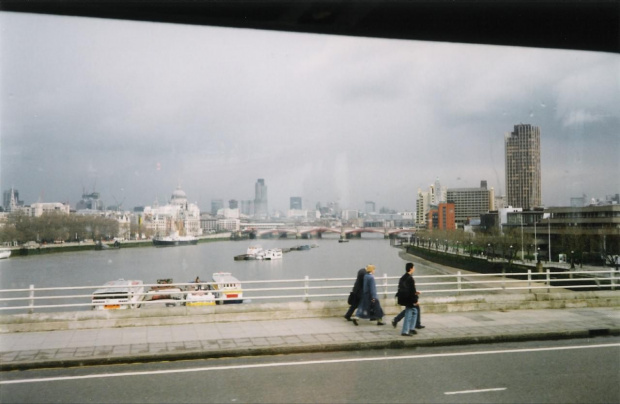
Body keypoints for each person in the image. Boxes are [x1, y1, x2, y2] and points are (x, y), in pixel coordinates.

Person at [392, 262, 425, 330]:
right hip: (408, 298)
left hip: (403, 298)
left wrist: (414, 293)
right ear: (411, 269)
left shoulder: (403, 277)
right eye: (413, 267)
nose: (414, 269)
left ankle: (397, 320)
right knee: (412, 309)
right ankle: (411, 327)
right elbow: (411, 290)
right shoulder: (410, 278)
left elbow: (405, 288)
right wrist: (415, 299)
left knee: (410, 309)